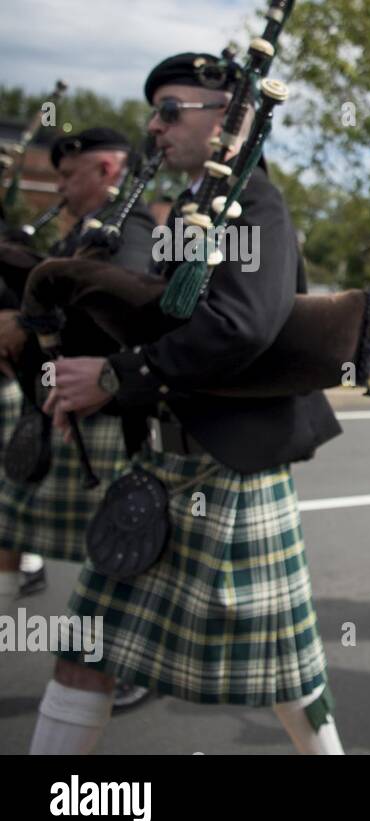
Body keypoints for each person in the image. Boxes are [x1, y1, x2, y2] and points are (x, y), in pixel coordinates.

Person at [27, 52, 344, 754]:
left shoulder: (253, 203)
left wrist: (115, 377)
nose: (156, 125)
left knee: (288, 673)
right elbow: (168, 316)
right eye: (154, 112)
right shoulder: (196, 206)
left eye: (171, 110)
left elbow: (242, 326)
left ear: (229, 119)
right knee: (86, 650)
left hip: (227, 468)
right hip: (173, 462)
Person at [0, 129, 157, 711]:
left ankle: (126, 663)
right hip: (61, 405)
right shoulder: (81, 234)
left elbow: (118, 316)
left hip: (105, 415)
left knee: (116, 555)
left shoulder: (132, 231)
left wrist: (28, 316)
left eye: (69, 176)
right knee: (12, 526)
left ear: (109, 170)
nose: (60, 187)